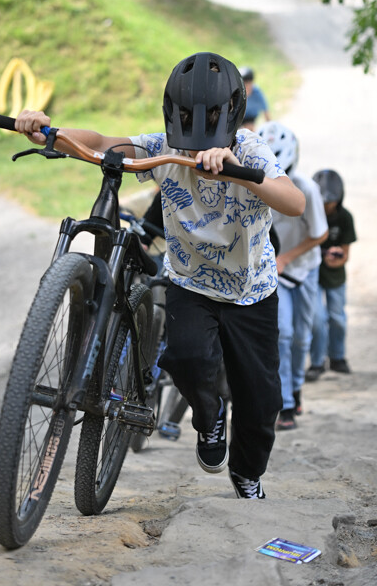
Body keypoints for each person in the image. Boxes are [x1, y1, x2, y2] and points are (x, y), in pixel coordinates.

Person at [15, 52, 305, 499]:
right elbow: (104, 142)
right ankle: (208, 418)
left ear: (230, 114)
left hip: (252, 291)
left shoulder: (249, 149)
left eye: (207, 118)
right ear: (173, 113)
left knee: (261, 400)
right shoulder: (164, 148)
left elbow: (294, 202)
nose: (195, 131)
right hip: (191, 282)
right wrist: (50, 131)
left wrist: (239, 172)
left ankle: (247, 472)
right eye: (185, 117)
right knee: (186, 358)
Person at [260, 121, 328, 431]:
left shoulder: (307, 189)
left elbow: (320, 234)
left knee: (303, 335)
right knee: (283, 333)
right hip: (275, 271)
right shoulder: (253, 184)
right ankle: (285, 402)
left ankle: (297, 386)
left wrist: (287, 257)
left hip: (304, 267)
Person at [306, 169, 357, 381]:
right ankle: (317, 362)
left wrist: (337, 258)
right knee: (317, 319)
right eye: (324, 201)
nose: (327, 206)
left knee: (338, 318)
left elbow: (345, 253)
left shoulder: (344, 217)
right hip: (312, 275)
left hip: (335, 276)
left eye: (331, 201)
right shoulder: (307, 215)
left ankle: (337, 357)